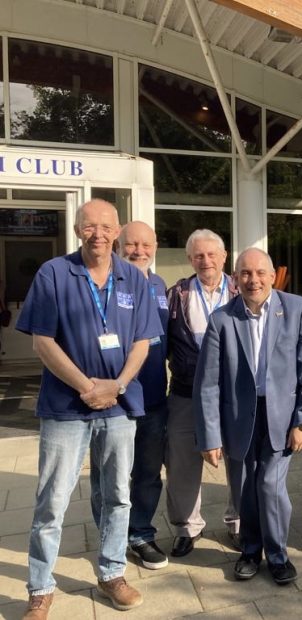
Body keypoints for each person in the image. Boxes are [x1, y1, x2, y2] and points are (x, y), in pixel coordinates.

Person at [15, 199, 162, 619]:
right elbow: (42, 342)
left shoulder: (133, 278)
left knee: (117, 496)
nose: (98, 234)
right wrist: (87, 387)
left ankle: (112, 573)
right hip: (66, 407)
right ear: (78, 229)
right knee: (52, 501)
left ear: (117, 231)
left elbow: (142, 343)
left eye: (106, 226)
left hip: (118, 406)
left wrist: (117, 386)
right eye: (90, 226)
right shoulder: (54, 274)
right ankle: (41, 588)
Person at [194, 247, 302, 585]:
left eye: (260, 272)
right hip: (238, 419)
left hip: (283, 417)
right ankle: (250, 551)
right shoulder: (221, 319)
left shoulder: (297, 310)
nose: (254, 280)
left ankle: (277, 556)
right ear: (235, 279)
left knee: (269, 485)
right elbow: (208, 384)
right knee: (244, 486)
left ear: (272, 276)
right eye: (246, 274)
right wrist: (209, 437)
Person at [165, 229, 239, 557]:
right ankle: (187, 527)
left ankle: (239, 523)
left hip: (234, 394)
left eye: (212, 254)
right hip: (185, 393)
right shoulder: (175, 294)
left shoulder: (242, 290)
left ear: (224, 257)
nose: (205, 260)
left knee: (239, 459)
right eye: (198, 255)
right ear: (190, 259)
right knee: (181, 461)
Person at [116, 221, 170, 569]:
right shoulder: (107, 281)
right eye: (132, 244)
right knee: (112, 476)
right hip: (116, 401)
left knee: (148, 473)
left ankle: (140, 534)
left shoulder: (159, 284)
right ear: (119, 246)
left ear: (155, 247)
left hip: (153, 397)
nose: (139, 251)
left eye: (145, 245)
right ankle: (112, 536)